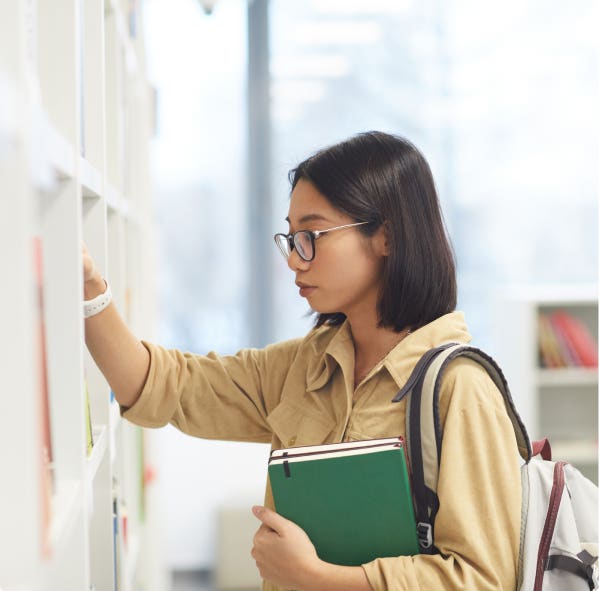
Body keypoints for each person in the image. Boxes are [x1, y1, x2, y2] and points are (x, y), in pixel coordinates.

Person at [83, 131, 521, 591]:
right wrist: (91, 292)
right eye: (290, 238)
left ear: (386, 237)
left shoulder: (462, 389)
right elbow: (158, 386)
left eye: (311, 236)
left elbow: (482, 579)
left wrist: (316, 577)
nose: (294, 259)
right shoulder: (305, 366)